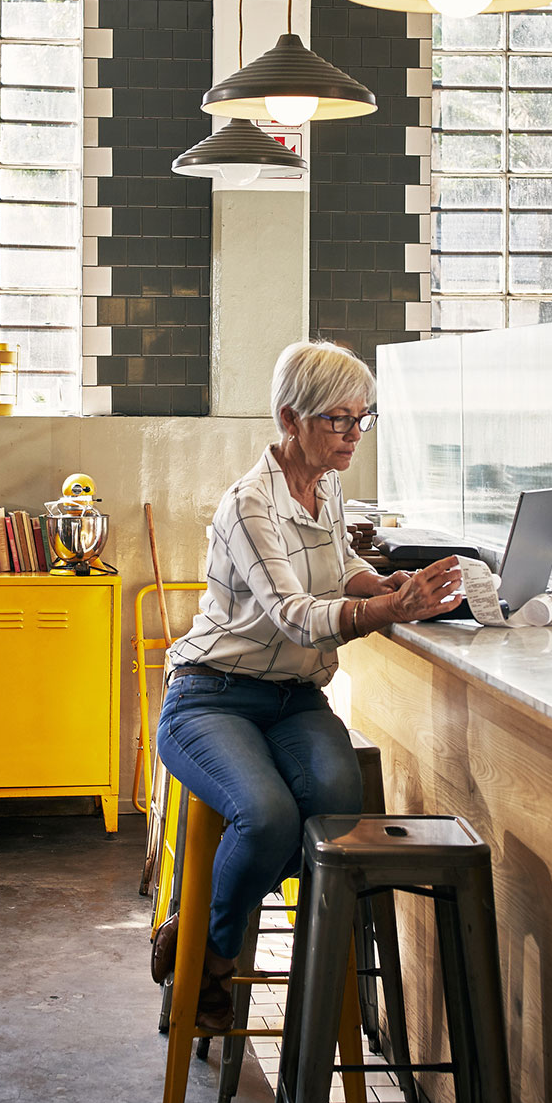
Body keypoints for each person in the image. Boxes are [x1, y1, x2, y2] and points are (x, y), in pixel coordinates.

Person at [151, 341, 463, 1030]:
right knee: (267, 817)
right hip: (211, 693)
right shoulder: (249, 506)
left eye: (363, 418)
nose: (354, 435)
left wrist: (378, 584)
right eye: (338, 420)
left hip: (293, 698)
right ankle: (206, 957)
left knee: (336, 807)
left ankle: (229, 934)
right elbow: (293, 614)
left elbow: (339, 558)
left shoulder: (323, 484)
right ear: (291, 418)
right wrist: (386, 611)